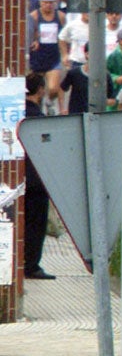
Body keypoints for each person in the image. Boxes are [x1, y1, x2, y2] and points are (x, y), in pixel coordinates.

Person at [21, 72, 52, 279]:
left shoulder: (15, 115)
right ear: (40, 89)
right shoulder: (40, 120)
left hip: (15, 178)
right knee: (35, 224)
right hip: (37, 181)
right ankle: (31, 265)